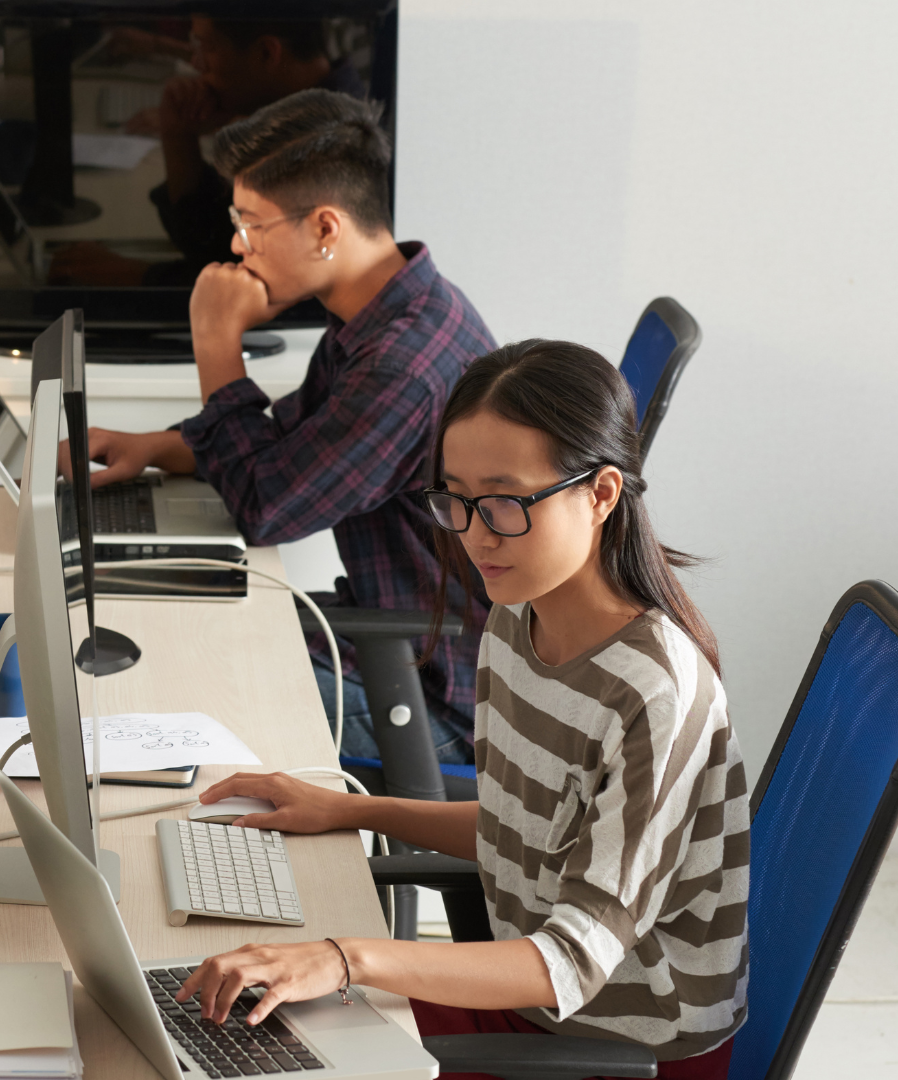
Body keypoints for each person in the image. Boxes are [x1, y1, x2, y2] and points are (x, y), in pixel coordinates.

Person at [179, 341, 748, 1079]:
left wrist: (347, 958)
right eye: (457, 500)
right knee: (228, 1019)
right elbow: (522, 831)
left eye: (507, 503)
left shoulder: (654, 693)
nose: (476, 534)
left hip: (616, 1046)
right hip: (531, 1005)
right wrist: (349, 811)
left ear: (602, 493)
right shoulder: (518, 615)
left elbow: (572, 960)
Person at [73, 89, 495, 764]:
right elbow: (289, 441)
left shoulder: (401, 369)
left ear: (325, 227)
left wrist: (215, 339)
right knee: (162, 625)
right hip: (388, 643)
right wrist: (153, 448)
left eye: (251, 224)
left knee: (150, 688)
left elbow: (264, 506)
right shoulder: (390, 308)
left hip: (429, 698)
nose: (238, 248)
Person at [51, 16, 368, 287]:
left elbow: (259, 290)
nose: (197, 63)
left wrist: (136, 277)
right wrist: (177, 132)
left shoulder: (333, 151)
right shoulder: (303, 117)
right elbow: (206, 242)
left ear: (266, 53)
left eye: (209, 47)